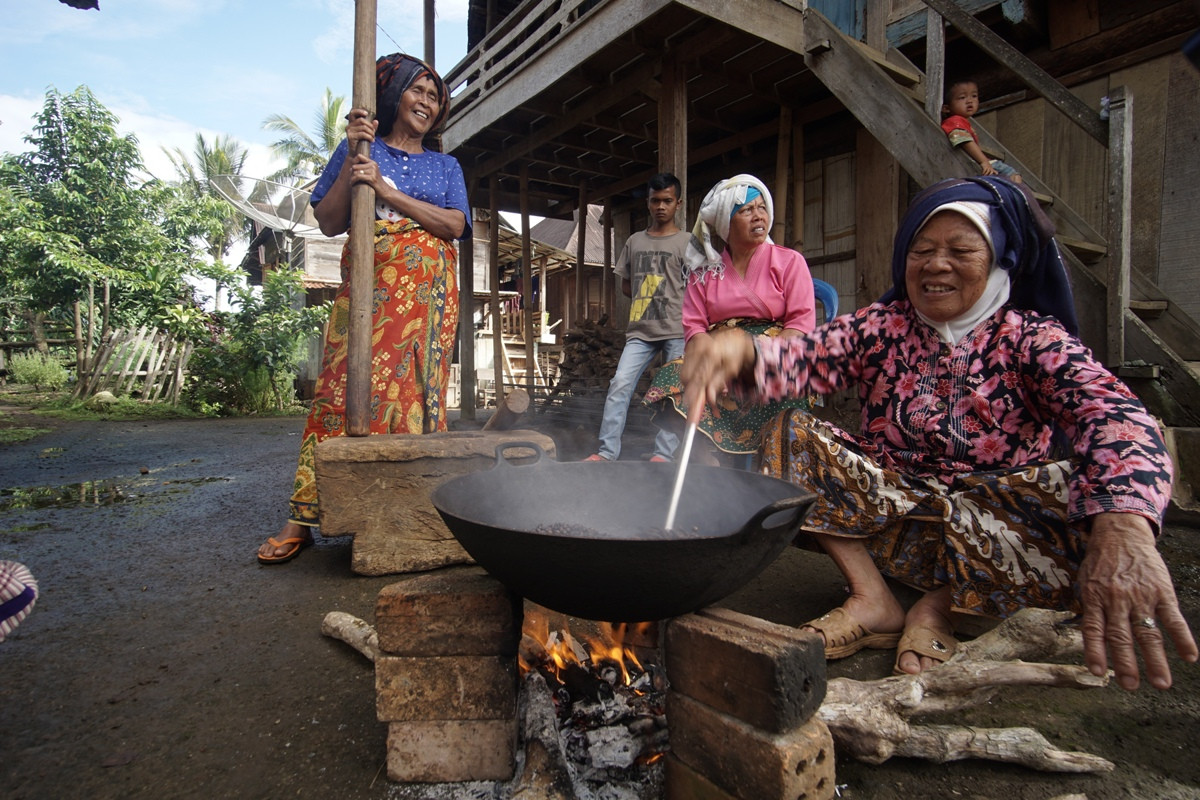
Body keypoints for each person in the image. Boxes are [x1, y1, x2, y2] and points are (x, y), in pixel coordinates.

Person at [680, 176, 1197, 690]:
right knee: (788, 430)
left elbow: (1118, 418)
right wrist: (742, 353)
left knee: (1094, 500)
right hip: (898, 516)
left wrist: (1126, 527)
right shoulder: (884, 326)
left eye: (961, 250)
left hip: (994, 530)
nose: (936, 264)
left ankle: (940, 606)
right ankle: (872, 598)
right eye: (921, 249)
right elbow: (804, 357)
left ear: (997, 258)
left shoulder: (1033, 340)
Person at [258, 53, 470, 564]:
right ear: (395, 95)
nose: (427, 102)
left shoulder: (445, 165)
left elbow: (454, 226)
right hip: (369, 295)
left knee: (418, 396)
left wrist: (384, 190)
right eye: (418, 90)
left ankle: (413, 510)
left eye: (435, 96)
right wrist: (357, 161)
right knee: (340, 389)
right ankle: (304, 516)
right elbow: (330, 222)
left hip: (428, 305)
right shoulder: (359, 148)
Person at [644, 174, 816, 461]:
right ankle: (706, 458)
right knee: (672, 376)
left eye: (762, 207)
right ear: (726, 222)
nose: (758, 215)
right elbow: (695, 328)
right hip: (716, 350)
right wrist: (711, 362)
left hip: (771, 350)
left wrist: (751, 361)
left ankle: (772, 462)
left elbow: (799, 325)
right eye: (747, 210)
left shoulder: (789, 262)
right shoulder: (705, 272)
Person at [585, 173, 689, 463]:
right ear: (647, 203)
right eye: (655, 201)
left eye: (667, 201)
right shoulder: (634, 241)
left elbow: (698, 285)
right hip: (640, 331)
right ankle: (607, 452)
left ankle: (663, 455)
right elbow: (627, 284)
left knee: (672, 391)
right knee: (620, 383)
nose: (661, 206)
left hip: (676, 329)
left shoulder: (687, 242)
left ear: (677, 203)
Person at [942, 79, 1023, 183]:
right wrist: (984, 161)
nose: (969, 101)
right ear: (946, 108)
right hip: (974, 161)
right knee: (1012, 174)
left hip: (977, 161)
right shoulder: (955, 121)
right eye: (962, 97)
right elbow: (964, 141)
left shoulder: (962, 122)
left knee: (1013, 175)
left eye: (974, 96)